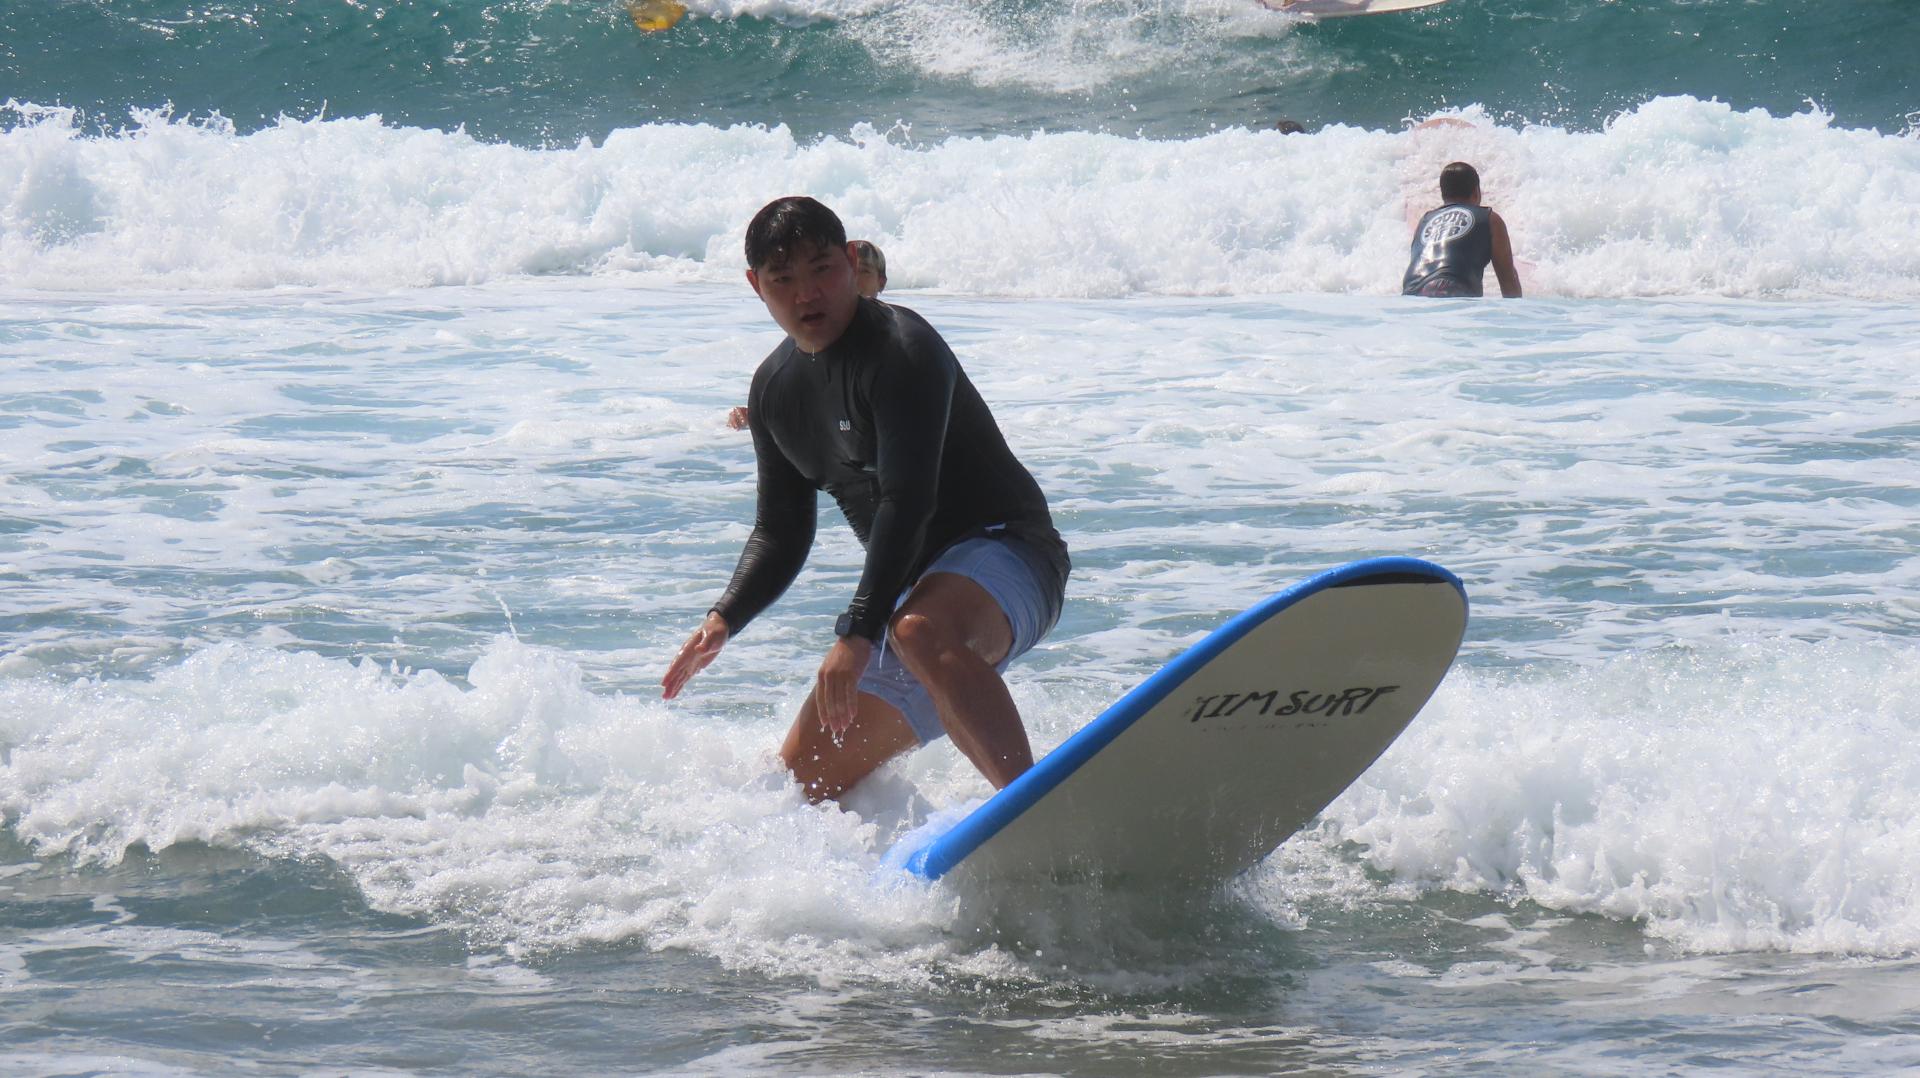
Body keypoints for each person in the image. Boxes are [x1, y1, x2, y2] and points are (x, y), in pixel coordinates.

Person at [665, 197, 1070, 803]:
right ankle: (930, 847)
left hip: (1011, 554)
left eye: (822, 269)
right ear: (756, 285)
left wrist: (857, 633)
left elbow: (908, 500)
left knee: (919, 628)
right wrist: (726, 616)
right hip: (906, 599)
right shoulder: (775, 392)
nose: (807, 294)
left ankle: (1032, 811)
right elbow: (780, 531)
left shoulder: (902, 350)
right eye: (783, 279)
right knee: (801, 785)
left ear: (853, 261)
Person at [728, 240, 887, 431]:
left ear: (881, 282)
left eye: (864, 271)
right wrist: (757, 413)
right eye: (849, 269)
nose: (855, 277)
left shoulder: (896, 341)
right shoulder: (814, 335)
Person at [1402, 161, 1522, 299]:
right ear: (1476, 192)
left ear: (1443, 195)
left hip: (1412, 297)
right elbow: (1508, 281)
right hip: (1454, 292)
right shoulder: (1489, 219)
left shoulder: (1425, 220)